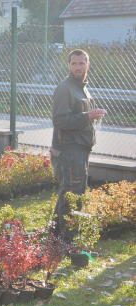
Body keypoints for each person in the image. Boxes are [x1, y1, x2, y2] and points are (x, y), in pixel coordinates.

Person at [50, 49, 106, 240]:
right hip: (68, 152)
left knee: (69, 194)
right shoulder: (65, 89)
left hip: (79, 150)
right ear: (69, 66)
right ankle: (67, 242)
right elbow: (60, 121)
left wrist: (89, 117)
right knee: (72, 198)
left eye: (81, 63)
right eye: (74, 64)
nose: (78, 67)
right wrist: (88, 116)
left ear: (88, 65)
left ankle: (55, 237)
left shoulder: (81, 87)